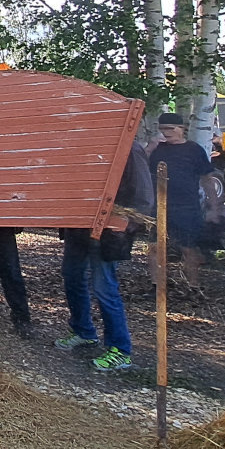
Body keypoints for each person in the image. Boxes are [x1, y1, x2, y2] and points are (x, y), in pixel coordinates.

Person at [55, 142, 153, 371]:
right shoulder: (84, 144)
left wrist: (127, 225)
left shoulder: (130, 147)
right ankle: (83, 331)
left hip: (109, 230)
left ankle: (120, 349)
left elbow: (143, 195)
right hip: (78, 228)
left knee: (104, 287)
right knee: (72, 277)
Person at [147, 112, 221, 289]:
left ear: (182, 129)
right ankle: (156, 285)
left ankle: (193, 285)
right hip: (158, 205)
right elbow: (139, 166)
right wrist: (150, 147)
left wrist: (214, 207)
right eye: (162, 129)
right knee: (154, 246)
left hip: (187, 206)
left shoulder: (193, 149)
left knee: (189, 247)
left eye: (170, 128)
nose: (166, 132)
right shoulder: (156, 149)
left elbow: (207, 179)